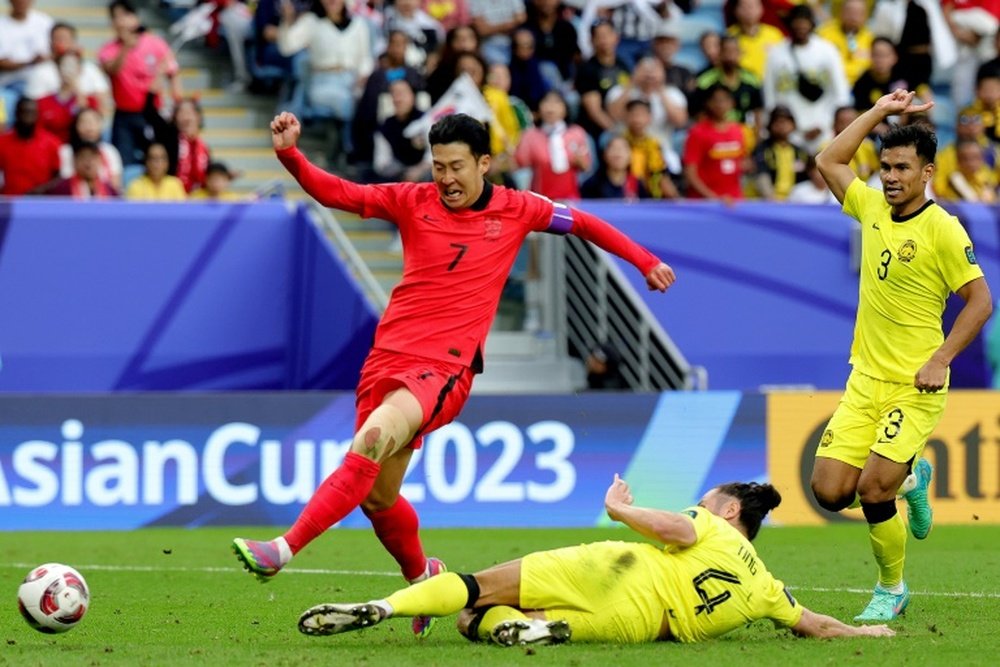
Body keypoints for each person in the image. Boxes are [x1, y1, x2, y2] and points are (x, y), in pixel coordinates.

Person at [232, 111, 676, 641]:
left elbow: (583, 223)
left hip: (444, 367)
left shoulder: (519, 208)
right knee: (377, 496)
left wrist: (645, 260)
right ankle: (424, 576)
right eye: (438, 166)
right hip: (385, 360)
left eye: (457, 166)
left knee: (372, 439)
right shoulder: (412, 199)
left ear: (485, 163)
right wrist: (290, 156)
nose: (446, 179)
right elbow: (340, 193)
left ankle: (282, 549)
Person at [295, 475, 895, 645]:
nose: (701, 500)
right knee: (472, 624)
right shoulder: (766, 585)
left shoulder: (709, 522)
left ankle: (385, 605)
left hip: (617, 567)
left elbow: (669, 527)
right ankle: (531, 630)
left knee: (474, 590)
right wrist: (864, 629)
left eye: (710, 497)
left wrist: (619, 510)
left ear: (731, 512)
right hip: (638, 625)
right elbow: (813, 624)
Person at [813, 89, 993, 622]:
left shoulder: (942, 227)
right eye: (885, 166)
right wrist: (879, 113)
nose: (890, 177)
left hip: (917, 385)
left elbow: (981, 300)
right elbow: (828, 160)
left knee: (871, 489)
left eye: (902, 168)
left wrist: (941, 359)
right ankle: (913, 479)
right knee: (828, 492)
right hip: (864, 380)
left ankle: (891, 588)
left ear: (927, 173)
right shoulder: (869, 206)